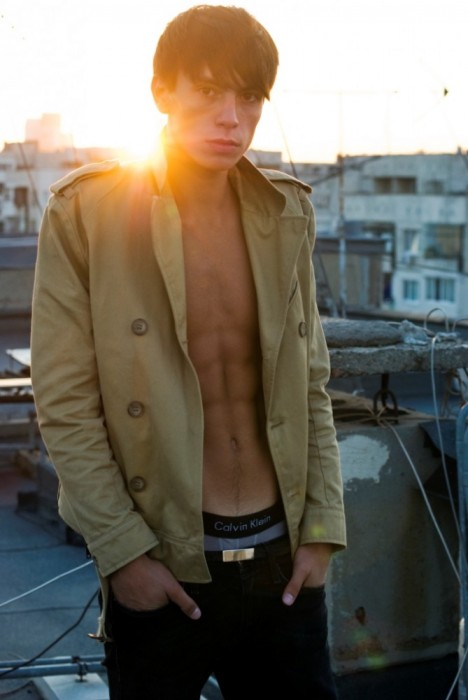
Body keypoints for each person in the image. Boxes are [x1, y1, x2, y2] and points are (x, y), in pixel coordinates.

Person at [31, 5, 346, 698]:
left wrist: (323, 529)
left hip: (284, 564)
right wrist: (124, 556)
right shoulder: (86, 214)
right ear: (161, 93)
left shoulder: (286, 210)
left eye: (250, 97)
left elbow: (311, 383)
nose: (231, 117)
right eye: (207, 91)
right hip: (165, 565)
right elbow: (65, 404)